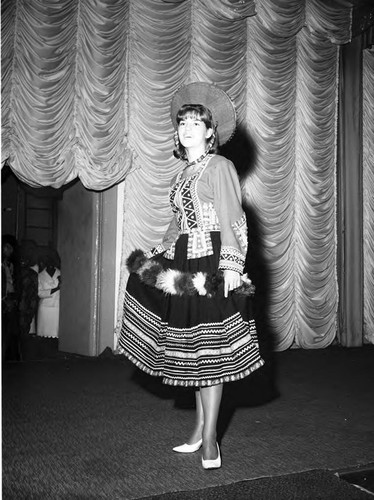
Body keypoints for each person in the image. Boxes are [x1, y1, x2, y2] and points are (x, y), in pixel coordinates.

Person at [118, 82, 264, 470]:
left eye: (196, 123)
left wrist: (232, 265)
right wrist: (158, 252)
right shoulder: (183, 173)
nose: (187, 128)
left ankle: (211, 440)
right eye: (183, 122)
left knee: (212, 356)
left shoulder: (220, 166)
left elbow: (234, 216)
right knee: (196, 355)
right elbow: (177, 225)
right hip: (185, 259)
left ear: (210, 132)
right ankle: (199, 429)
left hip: (212, 263)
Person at [37, 250, 61, 338]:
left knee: (56, 336)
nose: (50, 260)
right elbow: (40, 293)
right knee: (44, 336)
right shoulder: (39, 276)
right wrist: (56, 288)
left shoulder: (62, 273)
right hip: (44, 308)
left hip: (57, 308)